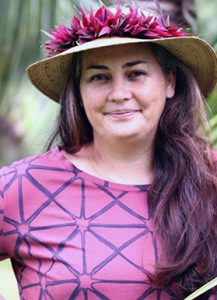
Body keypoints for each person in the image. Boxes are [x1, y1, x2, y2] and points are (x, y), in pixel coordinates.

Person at [0, 2, 217, 299]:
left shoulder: (212, 179)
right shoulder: (22, 188)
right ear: (78, 90)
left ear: (169, 82)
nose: (118, 94)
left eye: (136, 73)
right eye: (99, 77)